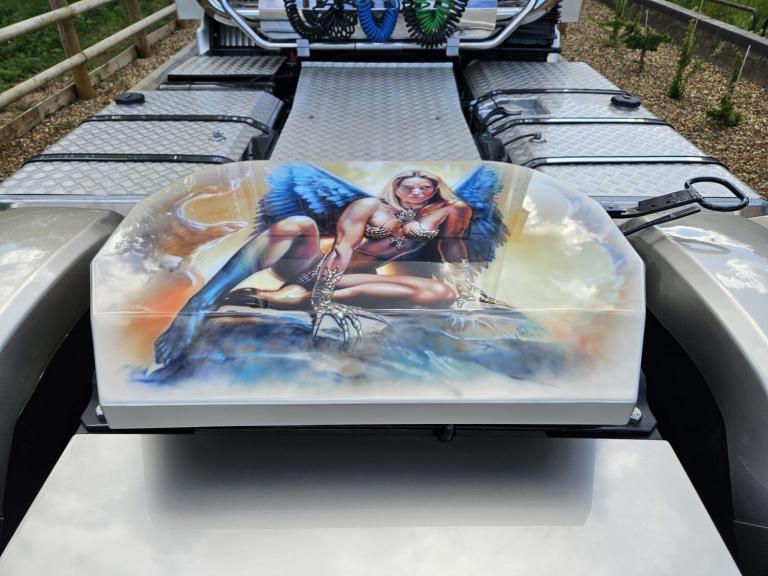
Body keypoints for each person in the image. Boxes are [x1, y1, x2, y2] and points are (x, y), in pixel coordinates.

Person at [154, 169, 494, 365]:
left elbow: (453, 247)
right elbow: (343, 248)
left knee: (439, 292)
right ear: (396, 188)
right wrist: (324, 299)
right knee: (297, 224)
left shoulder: (452, 210)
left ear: (435, 188)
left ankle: (286, 297)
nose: (416, 192)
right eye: (408, 187)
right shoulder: (369, 206)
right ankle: (202, 301)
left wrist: (468, 294)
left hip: (354, 278)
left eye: (424, 187)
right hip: (314, 262)